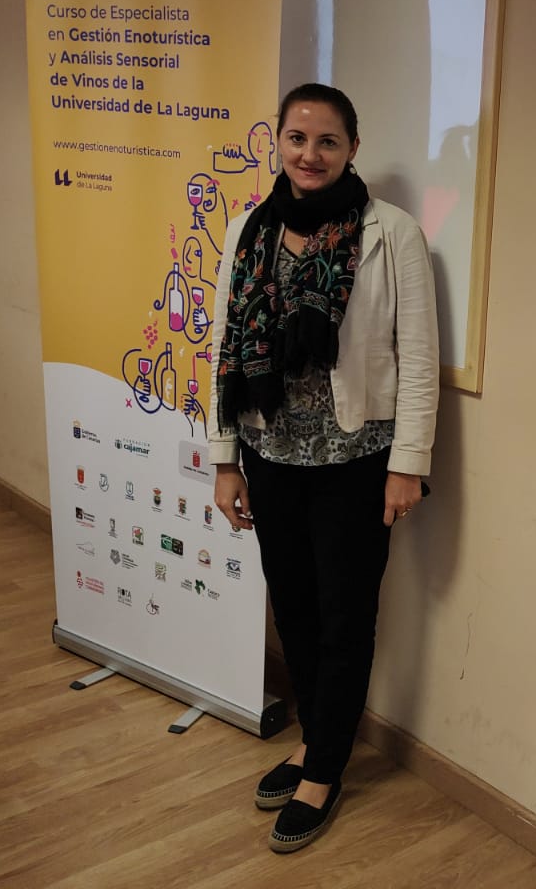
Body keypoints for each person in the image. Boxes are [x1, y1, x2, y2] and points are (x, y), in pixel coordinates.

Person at [210, 82, 439, 855]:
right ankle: (315, 738)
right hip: (270, 455)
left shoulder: (391, 234)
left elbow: (418, 359)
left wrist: (408, 465)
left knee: (344, 617)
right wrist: (225, 461)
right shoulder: (250, 229)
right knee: (296, 611)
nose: (310, 154)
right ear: (278, 141)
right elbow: (225, 349)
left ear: (352, 149)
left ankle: (324, 769)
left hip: (356, 463)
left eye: (327, 141)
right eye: (297, 138)